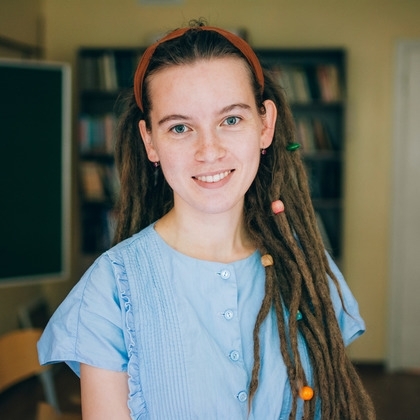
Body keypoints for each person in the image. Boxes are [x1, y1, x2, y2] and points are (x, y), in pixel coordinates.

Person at [38, 20, 375, 420]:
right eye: (180, 127)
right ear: (150, 141)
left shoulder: (306, 267)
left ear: (265, 126)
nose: (209, 151)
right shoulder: (110, 287)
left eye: (231, 120)